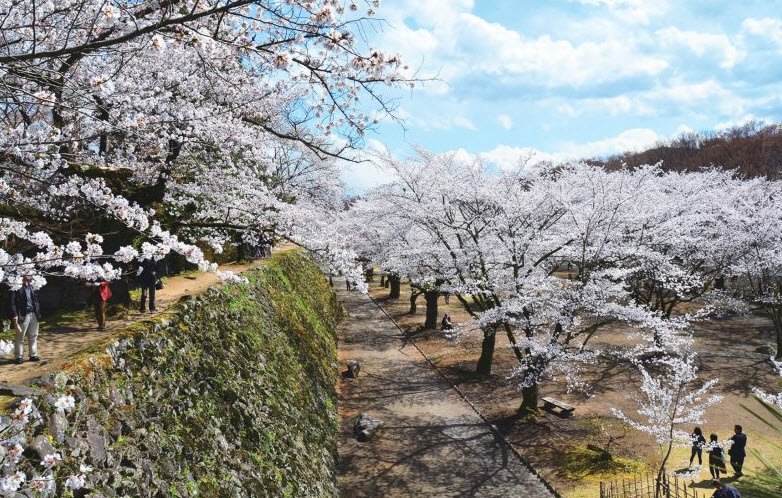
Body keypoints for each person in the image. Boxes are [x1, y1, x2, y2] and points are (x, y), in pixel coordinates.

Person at [8, 275, 41, 364]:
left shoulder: (33, 285)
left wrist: (38, 311)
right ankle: (18, 357)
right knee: (20, 336)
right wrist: (14, 314)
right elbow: (12, 302)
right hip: (23, 314)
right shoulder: (16, 285)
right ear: (23, 274)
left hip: (34, 313)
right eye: (27, 274)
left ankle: (33, 355)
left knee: (33, 335)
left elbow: (36, 299)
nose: (30, 276)